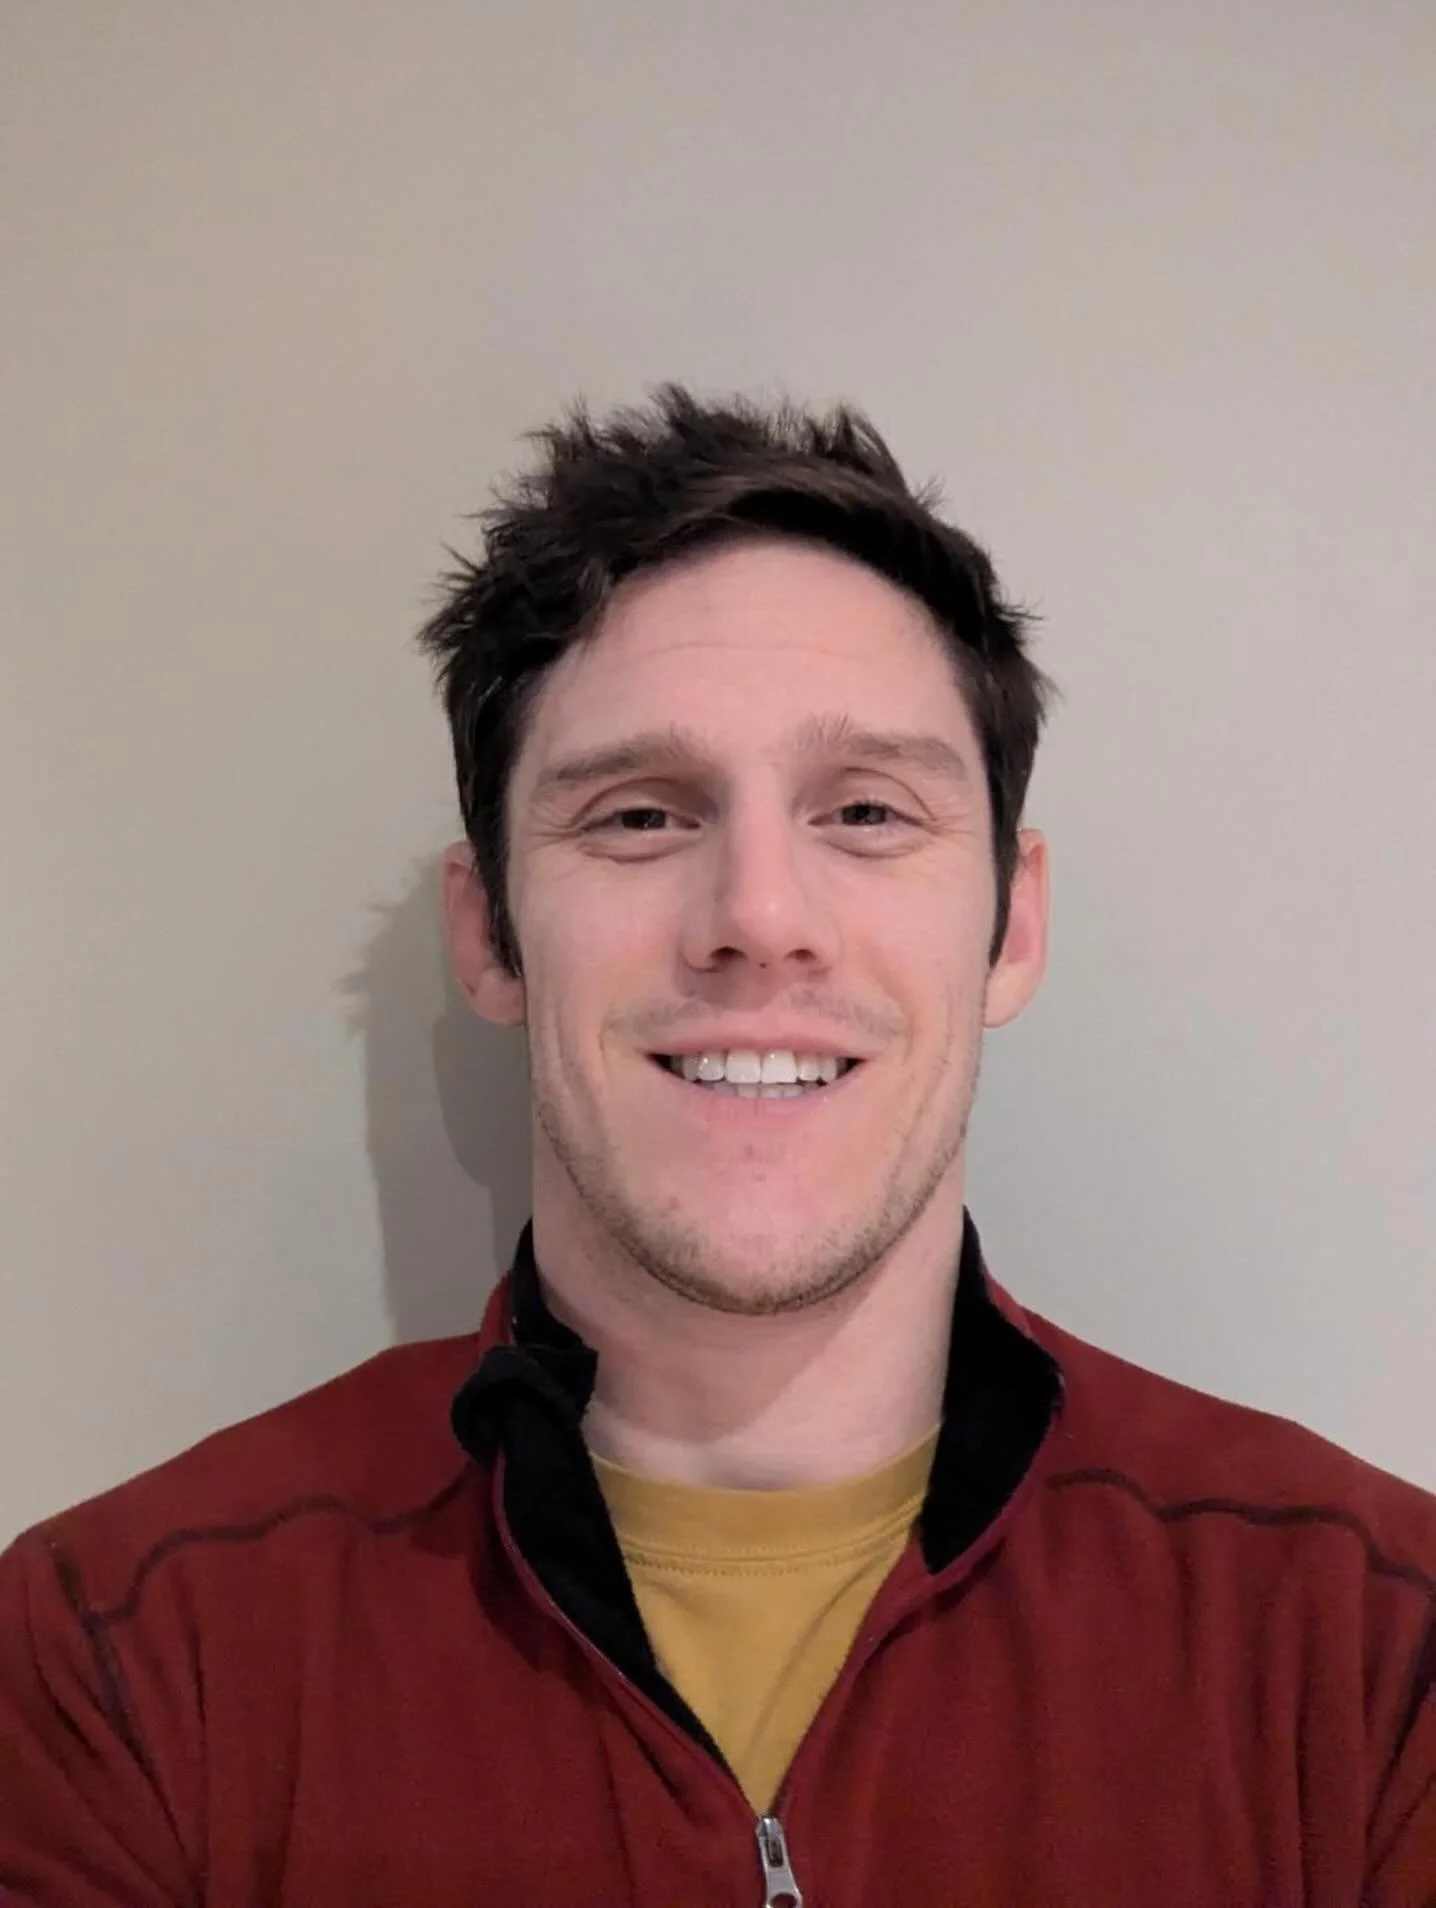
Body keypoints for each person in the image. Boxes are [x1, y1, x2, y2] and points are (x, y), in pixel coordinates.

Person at [1, 387, 1432, 1907]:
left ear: (1012, 926)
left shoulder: (1371, 1654)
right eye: (638, 818)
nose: (758, 915)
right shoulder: (126, 1663)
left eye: (868, 811)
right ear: (489, 934)